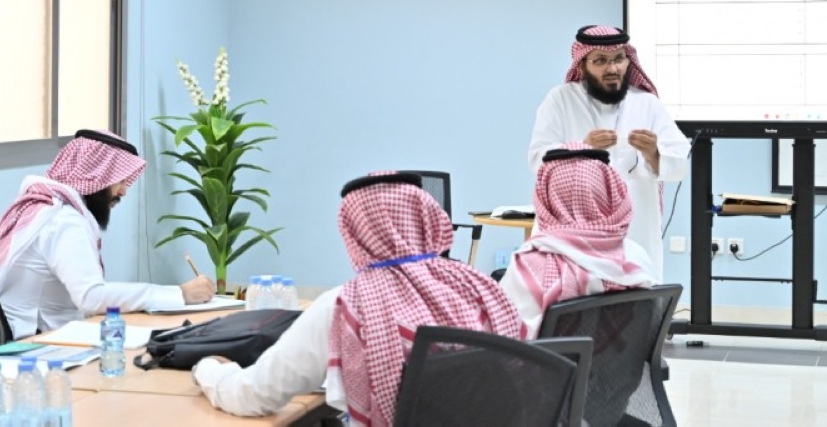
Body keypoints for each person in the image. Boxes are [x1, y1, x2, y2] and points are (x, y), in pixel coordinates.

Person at [193, 171, 525, 426]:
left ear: (353, 232)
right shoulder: (482, 287)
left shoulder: (347, 305)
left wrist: (209, 370)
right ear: (430, 219)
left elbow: (255, 395)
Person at [0, 129, 215, 339]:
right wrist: (180, 293)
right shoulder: (63, 220)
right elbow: (91, 297)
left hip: (16, 336)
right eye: (119, 180)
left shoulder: (38, 206)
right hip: (33, 344)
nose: (123, 191)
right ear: (95, 176)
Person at [529, 25, 691, 282]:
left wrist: (653, 153)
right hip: (573, 230)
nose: (612, 68)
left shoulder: (647, 103)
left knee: (635, 299)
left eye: (618, 59)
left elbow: (679, 162)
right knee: (573, 296)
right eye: (600, 61)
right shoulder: (560, 99)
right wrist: (582, 148)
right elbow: (538, 158)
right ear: (582, 65)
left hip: (634, 231)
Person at [500, 142, 657, 333]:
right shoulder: (636, 258)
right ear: (609, 193)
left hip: (553, 355)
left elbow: (503, 339)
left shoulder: (529, 266)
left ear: (545, 199)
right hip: (621, 353)